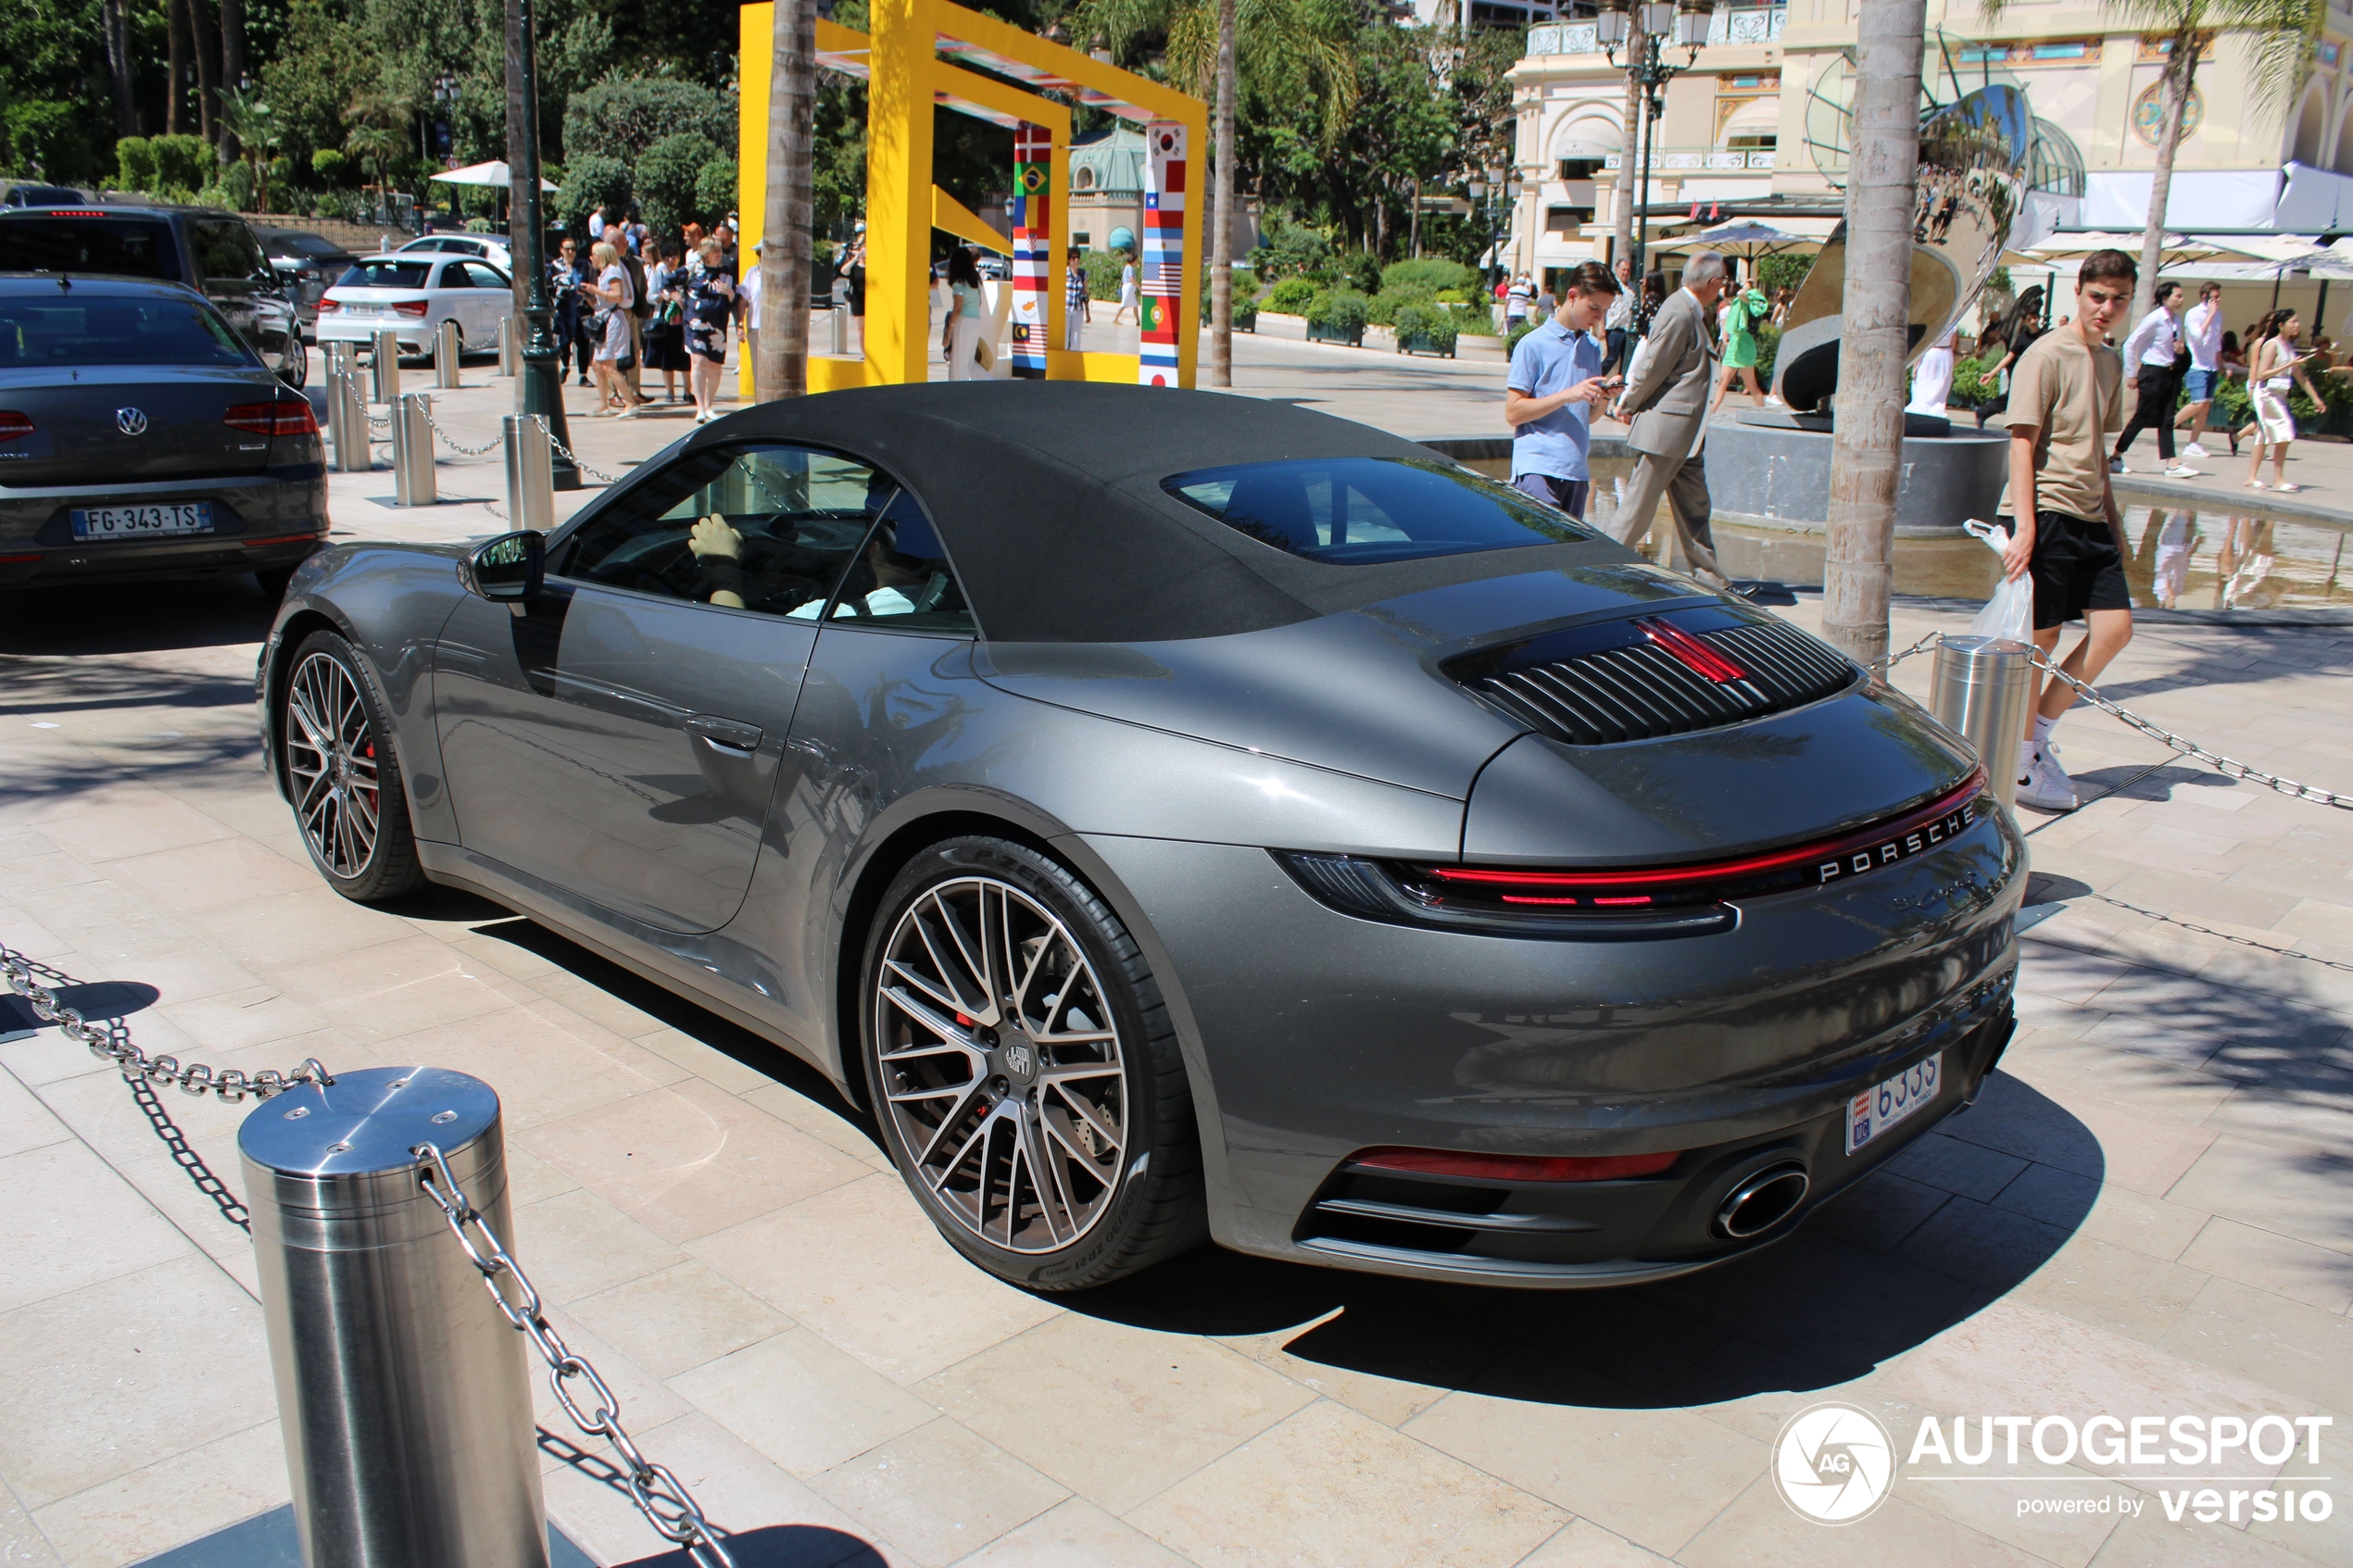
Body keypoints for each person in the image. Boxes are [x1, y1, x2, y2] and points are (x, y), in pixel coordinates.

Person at [1995, 248, 2134, 813]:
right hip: (2046, 511)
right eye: (2098, 296)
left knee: (2115, 630)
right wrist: (2025, 528)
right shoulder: (2045, 354)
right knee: (2043, 639)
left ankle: (2039, 735)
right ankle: (2022, 760)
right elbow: (2022, 441)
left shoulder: (2110, 360)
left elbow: (2100, 451)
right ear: (2079, 291)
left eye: (2118, 299)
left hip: (2091, 514)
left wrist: (2115, 520)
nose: (2107, 308)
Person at [1611, 249, 1734, 589]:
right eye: (1722, 280)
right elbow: (1654, 364)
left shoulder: (1690, 310)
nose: (1723, 286)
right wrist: (1628, 403)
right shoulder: (1679, 312)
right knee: (1637, 509)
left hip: (1686, 434)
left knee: (1696, 507)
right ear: (1712, 283)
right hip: (1668, 431)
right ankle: (1599, 573)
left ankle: (1713, 580)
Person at [1503, 260, 1620, 521]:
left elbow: (1587, 416)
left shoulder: (1591, 347)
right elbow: (1513, 412)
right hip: (1537, 467)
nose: (1599, 317)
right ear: (1572, 295)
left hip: (1576, 470)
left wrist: (1604, 397)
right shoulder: (1532, 345)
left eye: (1605, 310)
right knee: (1538, 553)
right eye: (1594, 307)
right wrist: (1569, 394)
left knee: (1566, 560)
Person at [2112, 281, 2192, 476]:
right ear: (2165, 298)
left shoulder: (2177, 319)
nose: (2181, 300)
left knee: (2167, 418)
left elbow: (2175, 345)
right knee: (2142, 417)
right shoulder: (2155, 319)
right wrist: (2131, 373)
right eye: (2178, 296)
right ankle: (2115, 456)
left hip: (2170, 373)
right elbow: (2130, 344)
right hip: (2153, 372)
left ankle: (2172, 463)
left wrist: (2181, 350)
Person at [2245, 307, 2326, 492]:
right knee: (2285, 430)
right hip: (2267, 394)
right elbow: (2261, 373)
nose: (2297, 325)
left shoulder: (2287, 345)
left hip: (2279, 394)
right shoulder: (2271, 344)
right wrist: (2290, 364)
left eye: (2297, 322)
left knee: (2263, 434)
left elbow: (2300, 375)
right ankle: (2278, 479)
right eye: (2293, 322)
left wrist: (2315, 398)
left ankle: (2251, 477)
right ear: (2281, 325)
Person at [587, 240, 644, 419]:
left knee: (608, 365)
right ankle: (604, 404)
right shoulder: (603, 273)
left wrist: (595, 290)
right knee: (598, 364)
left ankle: (630, 402)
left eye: (594, 255)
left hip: (614, 321)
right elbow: (602, 302)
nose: (591, 258)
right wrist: (590, 297)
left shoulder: (612, 271)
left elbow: (617, 296)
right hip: (605, 319)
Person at [2173, 281, 2224, 458]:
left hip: (2211, 367)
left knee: (2205, 407)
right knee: (2198, 403)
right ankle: (2167, 427)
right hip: (2196, 365)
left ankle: (2193, 442)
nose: (2218, 300)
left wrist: (2221, 365)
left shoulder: (2218, 315)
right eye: (2215, 297)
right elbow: (2197, 336)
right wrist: (2210, 315)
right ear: (2205, 297)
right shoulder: (2193, 314)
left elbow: (2217, 342)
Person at [686, 237, 734, 423]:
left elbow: (733, 299)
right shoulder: (693, 271)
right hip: (695, 325)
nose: (718, 253)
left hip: (718, 325)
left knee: (714, 366)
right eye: (714, 250)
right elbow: (669, 282)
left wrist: (728, 292)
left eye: (720, 249)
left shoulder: (726, 272)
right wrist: (680, 301)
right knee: (698, 362)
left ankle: (709, 405)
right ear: (706, 253)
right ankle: (699, 408)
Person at [1711, 264, 1770, 415]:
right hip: (1735, 344)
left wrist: (1748, 284)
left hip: (1744, 344)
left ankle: (1762, 413)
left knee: (1751, 385)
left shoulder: (1745, 300)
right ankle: (1711, 412)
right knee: (1722, 382)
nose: (1730, 303)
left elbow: (1741, 293)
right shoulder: (1738, 302)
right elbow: (1724, 291)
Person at [645, 240, 691, 402]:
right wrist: (661, 297)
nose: (671, 259)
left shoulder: (685, 273)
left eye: (674, 256)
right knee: (666, 359)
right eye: (667, 257)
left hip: (684, 320)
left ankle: (687, 391)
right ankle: (670, 392)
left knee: (685, 357)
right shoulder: (659, 274)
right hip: (665, 319)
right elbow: (649, 296)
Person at [942, 245, 988, 380]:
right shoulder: (976, 281)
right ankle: (988, 381)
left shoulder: (959, 283)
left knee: (957, 362)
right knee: (968, 361)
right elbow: (979, 303)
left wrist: (948, 333)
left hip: (962, 323)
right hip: (975, 321)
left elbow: (957, 309)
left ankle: (956, 393)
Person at [550, 236, 587, 383]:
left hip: (580, 308)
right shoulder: (555, 266)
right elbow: (551, 286)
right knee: (564, 341)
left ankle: (583, 376)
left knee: (582, 342)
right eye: (568, 249)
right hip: (563, 309)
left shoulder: (583, 265)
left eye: (573, 248)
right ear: (561, 250)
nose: (571, 251)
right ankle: (565, 367)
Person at [1907, 325, 1957, 417]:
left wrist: (1915, 366)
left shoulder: (1933, 323)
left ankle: (1920, 410)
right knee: (1941, 386)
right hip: (1946, 354)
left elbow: (1922, 344)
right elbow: (1953, 344)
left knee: (1922, 384)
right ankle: (1936, 411)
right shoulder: (1952, 324)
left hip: (1930, 352)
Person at [1603, 257, 1635, 373]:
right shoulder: (1611, 286)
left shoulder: (1631, 289)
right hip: (1614, 327)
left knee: (1626, 360)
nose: (1625, 272)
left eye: (1628, 270)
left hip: (1627, 329)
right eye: (1623, 269)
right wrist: (1601, 328)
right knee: (1612, 357)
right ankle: (1597, 376)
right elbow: (1604, 308)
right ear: (1617, 269)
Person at [738, 241, 764, 367]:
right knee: (757, 366)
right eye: (759, 253)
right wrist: (740, 325)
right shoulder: (752, 273)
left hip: (777, 328)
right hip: (756, 326)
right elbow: (743, 301)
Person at [1063, 245, 1088, 351]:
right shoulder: (1064, 272)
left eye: (1078, 257)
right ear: (1069, 260)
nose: (1076, 260)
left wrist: (1087, 312)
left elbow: (1085, 293)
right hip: (1066, 309)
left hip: (1078, 309)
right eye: (1073, 258)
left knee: (1076, 338)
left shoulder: (1083, 274)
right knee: (1064, 338)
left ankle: (1073, 360)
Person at [1113, 250, 1139, 325]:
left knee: (1135, 304)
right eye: (1136, 260)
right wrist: (1138, 286)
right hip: (1128, 288)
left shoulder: (1127, 267)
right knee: (1124, 304)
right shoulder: (1130, 268)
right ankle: (1115, 318)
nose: (1137, 262)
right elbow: (1131, 278)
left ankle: (1138, 321)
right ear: (1133, 261)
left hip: (1128, 288)